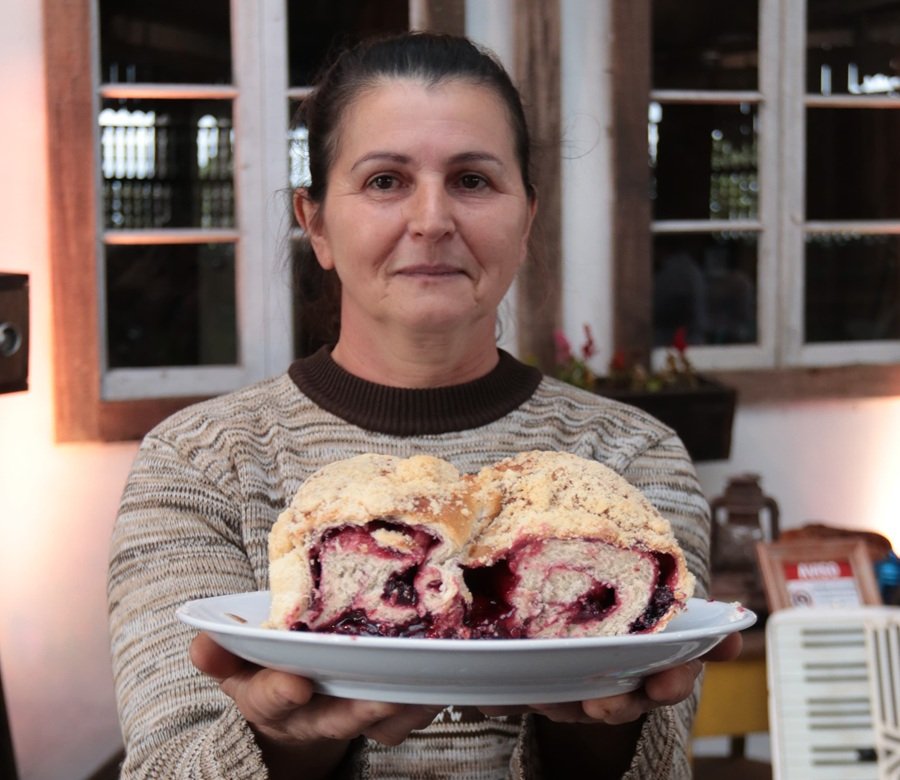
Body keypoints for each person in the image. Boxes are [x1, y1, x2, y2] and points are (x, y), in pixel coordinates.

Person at [108, 31, 741, 779]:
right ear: (315, 223)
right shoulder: (202, 461)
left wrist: (597, 721)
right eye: (385, 181)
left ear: (527, 219)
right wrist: (287, 740)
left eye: (473, 180)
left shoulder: (631, 461)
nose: (433, 219)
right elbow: (166, 765)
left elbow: (656, 759)